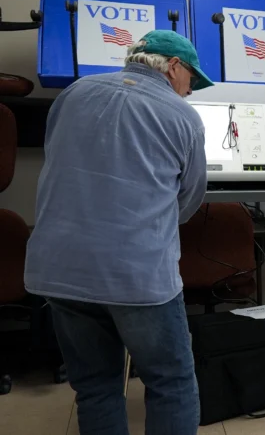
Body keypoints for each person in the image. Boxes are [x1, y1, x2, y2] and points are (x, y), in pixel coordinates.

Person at [25, 30, 214, 435]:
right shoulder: (182, 117)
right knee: (171, 382)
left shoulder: (74, 93)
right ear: (173, 66)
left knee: (95, 386)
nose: (191, 91)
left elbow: (60, 163)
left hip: (59, 271)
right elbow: (190, 199)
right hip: (137, 276)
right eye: (191, 80)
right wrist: (153, 221)